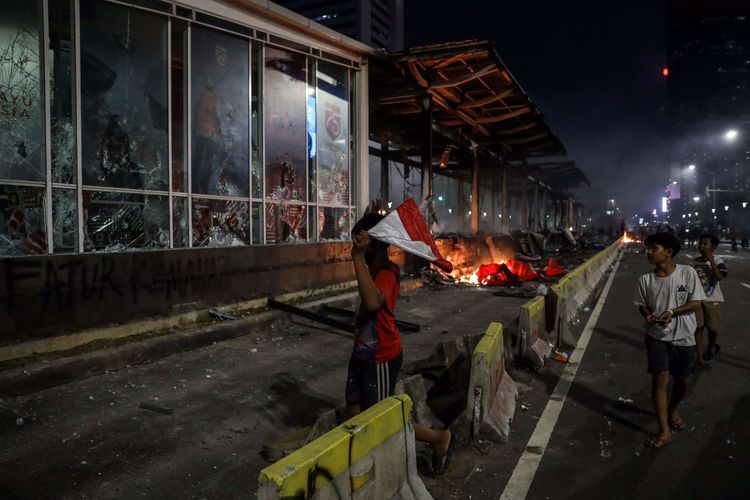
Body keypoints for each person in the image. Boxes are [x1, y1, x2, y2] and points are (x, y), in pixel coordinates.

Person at [347, 203, 456, 475]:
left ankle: (438, 437)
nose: (355, 247)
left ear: (372, 244)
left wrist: (357, 258)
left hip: (381, 356)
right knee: (354, 406)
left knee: (384, 418)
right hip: (363, 353)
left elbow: (372, 302)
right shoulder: (373, 270)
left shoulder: (387, 273)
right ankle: (359, 461)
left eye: (360, 241)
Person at [634, 233, 706, 448]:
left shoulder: (687, 273)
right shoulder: (645, 280)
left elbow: (696, 303)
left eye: (653, 248)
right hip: (657, 337)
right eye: (648, 248)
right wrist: (648, 315)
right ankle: (664, 430)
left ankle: (673, 408)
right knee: (660, 380)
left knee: (682, 381)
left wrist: (671, 312)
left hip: (684, 337)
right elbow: (642, 304)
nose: (648, 252)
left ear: (669, 252)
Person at [689, 234, 727, 367]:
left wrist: (711, 260)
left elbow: (719, 277)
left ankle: (711, 346)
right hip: (697, 300)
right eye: (700, 243)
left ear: (713, 247)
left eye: (705, 244)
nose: (701, 246)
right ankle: (699, 358)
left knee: (712, 327)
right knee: (698, 328)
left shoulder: (718, 260)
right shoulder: (694, 262)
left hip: (712, 299)